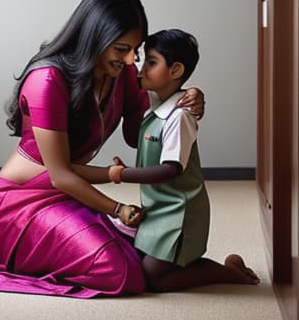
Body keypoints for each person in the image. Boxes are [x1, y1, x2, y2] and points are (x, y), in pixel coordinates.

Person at [0, 0, 204, 299]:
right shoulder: (46, 81)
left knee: (154, 252)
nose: (131, 60)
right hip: (24, 204)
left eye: (136, 50)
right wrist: (117, 208)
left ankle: (227, 271)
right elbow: (60, 174)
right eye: (121, 49)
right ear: (94, 39)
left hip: (71, 194)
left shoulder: (122, 73)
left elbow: (136, 137)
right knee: (123, 273)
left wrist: (183, 96)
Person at [108, 29, 260, 292]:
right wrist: (194, 90)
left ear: (176, 70)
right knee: (142, 262)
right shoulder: (156, 101)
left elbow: (170, 169)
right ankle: (225, 268)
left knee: (153, 277)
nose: (142, 69)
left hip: (180, 212)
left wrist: (122, 174)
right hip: (158, 208)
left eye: (151, 63)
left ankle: (231, 274)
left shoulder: (180, 116)